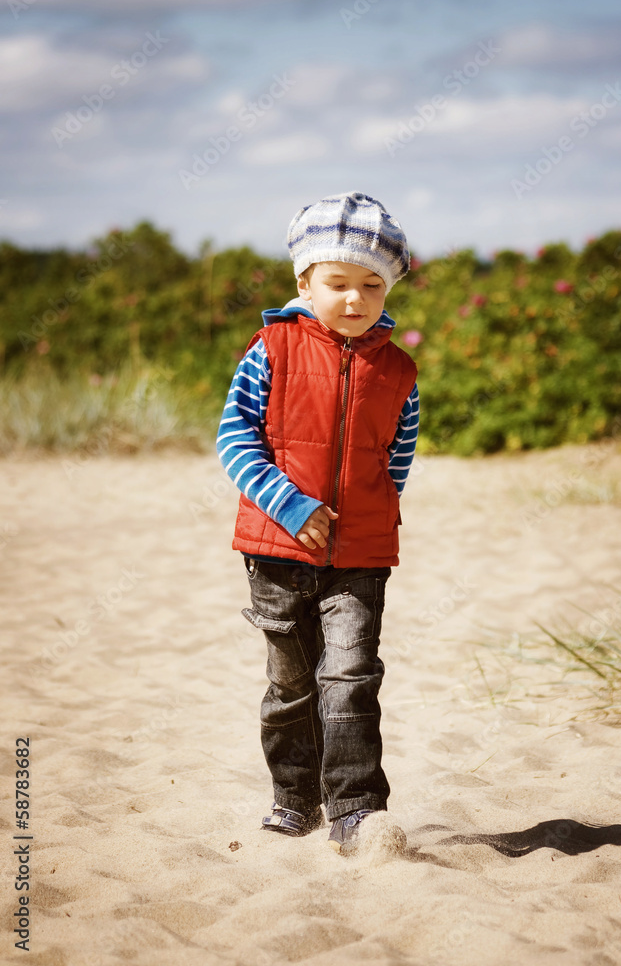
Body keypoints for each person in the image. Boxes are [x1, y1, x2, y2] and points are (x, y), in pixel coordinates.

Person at [217, 190, 419, 855]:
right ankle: (293, 798)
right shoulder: (271, 348)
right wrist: (292, 506)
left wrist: (371, 516)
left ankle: (357, 811)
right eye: (338, 284)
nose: (356, 300)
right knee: (290, 686)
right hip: (276, 554)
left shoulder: (398, 371)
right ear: (304, 281)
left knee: (353, 678)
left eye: (372, 285)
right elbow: (234, 440)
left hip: (359, 557)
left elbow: (397, 458)